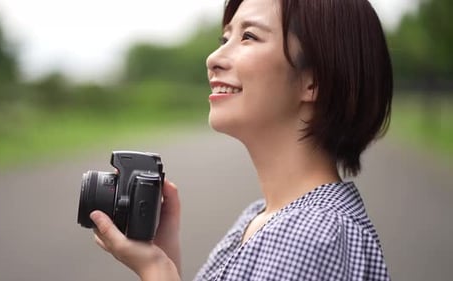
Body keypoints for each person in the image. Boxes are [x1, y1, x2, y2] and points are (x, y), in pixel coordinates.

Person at [89, 0, 393, 279]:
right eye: (225, 39)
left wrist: (156, 271)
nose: (213, 59)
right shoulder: (261, 217)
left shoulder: (312, 234)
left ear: (314, 81)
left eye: (248, 36)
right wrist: (165, 258)